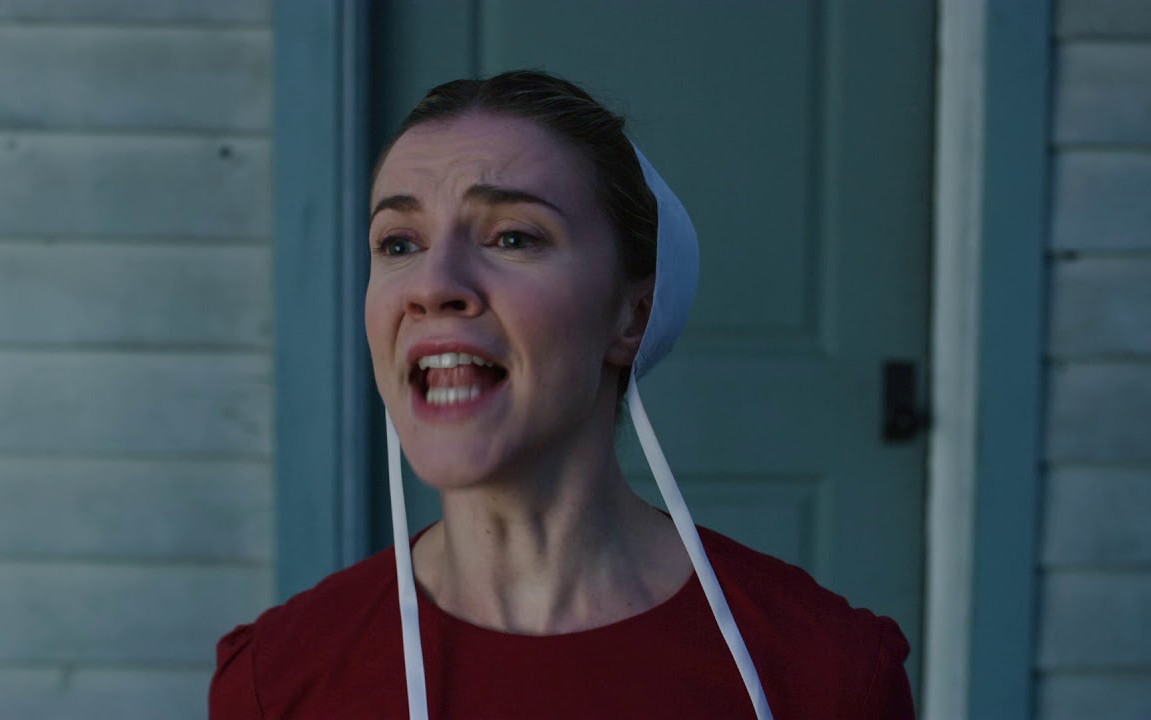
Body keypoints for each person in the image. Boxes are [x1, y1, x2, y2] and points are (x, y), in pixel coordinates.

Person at [210, 69, 914, 719]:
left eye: (512, 237)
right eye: (399, 243)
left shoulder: (826, 675)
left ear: (632, 316)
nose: (432, 285)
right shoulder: (277, 683)